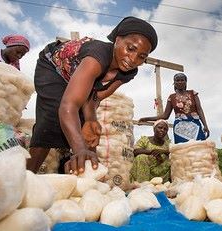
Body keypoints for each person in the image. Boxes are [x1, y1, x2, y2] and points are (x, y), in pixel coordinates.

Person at [27, 16, 158, 175]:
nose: (133, 59)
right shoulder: (97, 56)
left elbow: (96, 96)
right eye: (130, 48)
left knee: (88, 128)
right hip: (53, 68)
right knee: (52, 118)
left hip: (76, 78)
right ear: (117, 40)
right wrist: (80, 149)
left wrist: (90, 119)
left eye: (142, 56)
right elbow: (69, 105)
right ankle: (27, 176)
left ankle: (86, 178)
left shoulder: (129, 72)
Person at [139, 73, 209, 144]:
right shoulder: (171, 97)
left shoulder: (193, 93)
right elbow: (165, 116)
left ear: (186, 82)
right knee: (182, 150)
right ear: (174, 83)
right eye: (177, 80)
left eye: (182, 80)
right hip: (180, 129)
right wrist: (146, 118)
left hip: (195, 125)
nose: (180, 82)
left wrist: (205, 125)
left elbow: (199, 110)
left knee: (200, 147)